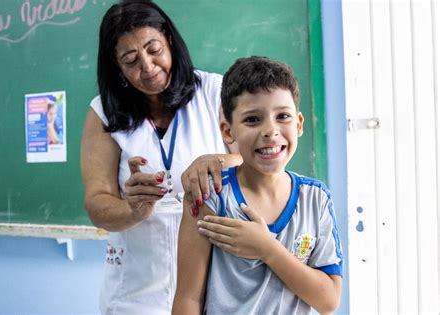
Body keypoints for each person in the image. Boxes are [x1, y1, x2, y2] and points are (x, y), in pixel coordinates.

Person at [80, 1, 240, 314]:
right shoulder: (103, 113)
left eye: (154, 49)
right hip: (135, 292)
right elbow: (97, 204)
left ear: (169, 40)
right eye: (130, 60)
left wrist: (219, 161)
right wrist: (131, 208)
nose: (148, 66)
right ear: (117, 68)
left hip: (211, 283)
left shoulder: (214, 92)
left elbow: (255, 164)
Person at [173, 56, 343, 314]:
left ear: (298, 124)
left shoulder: (315, 199)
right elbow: (188, 300)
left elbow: (328, 301)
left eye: (282, 116)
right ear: (228, 131)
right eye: (253, 119)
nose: (270, 131)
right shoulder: (211, 196)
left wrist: (268, 249)